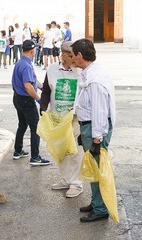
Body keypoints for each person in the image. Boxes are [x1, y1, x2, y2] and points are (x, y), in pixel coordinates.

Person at [70, 38, 115, 222]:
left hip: (95, 129)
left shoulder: (95, 80)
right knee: (93, 168)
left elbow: (99, 111)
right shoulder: (91, 72)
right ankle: (96, 202)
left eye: (73, 56)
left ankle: (100, 209)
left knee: (96, 170)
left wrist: (96, 139)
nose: (72, 59)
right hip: (89, 127)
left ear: (80, 56)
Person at [40, 41, 83, 198]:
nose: (74, 59)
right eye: (71, 55)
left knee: (76, 152)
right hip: (57, 119)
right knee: (62, 152)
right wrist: (43, 107)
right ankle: (66, 179)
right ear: (63, 55)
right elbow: (46, 90)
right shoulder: (52, 69)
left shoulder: (80, 71)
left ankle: (76, 184)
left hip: (75, 119)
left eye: (75, 55)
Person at [12, 39, 50, 166]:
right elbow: (28, 86)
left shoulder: (21, 62)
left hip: (17, 98)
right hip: (26, 100)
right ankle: (35, 157)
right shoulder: (26, 65)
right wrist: (38, 99)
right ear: (33, 51)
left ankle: (18, 150)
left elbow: (33, 80)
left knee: (22, 124)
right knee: (36, 127)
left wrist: (43, 88)